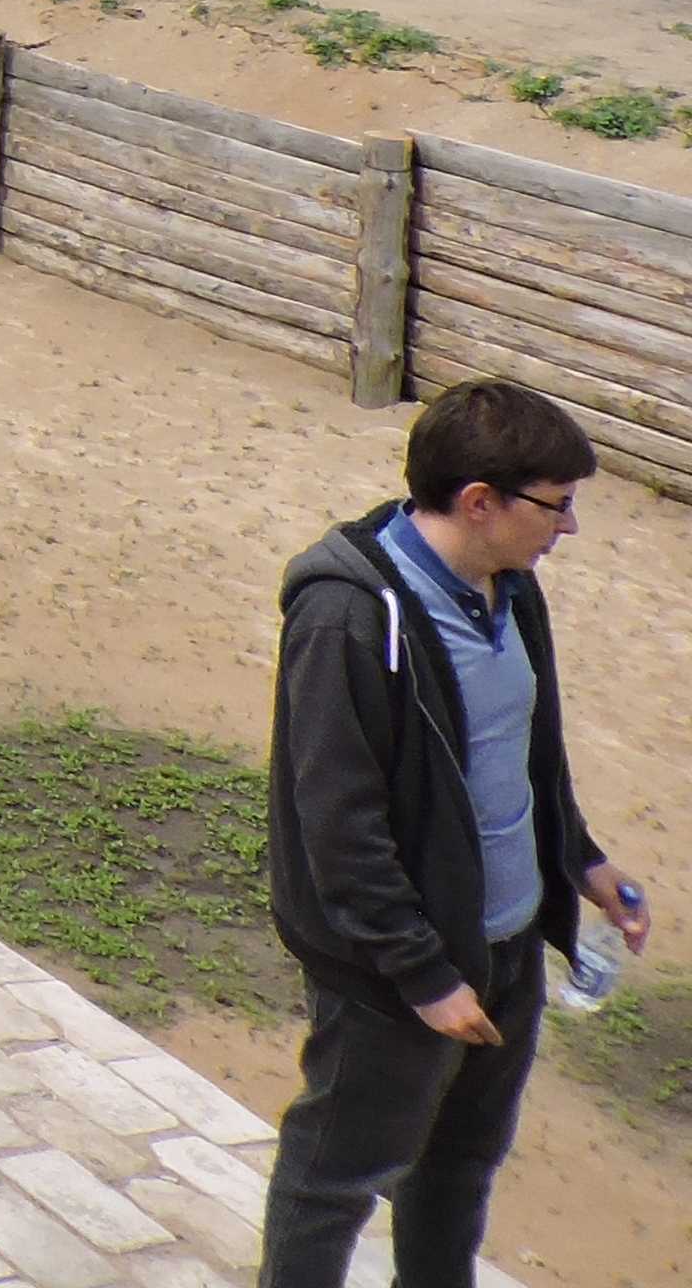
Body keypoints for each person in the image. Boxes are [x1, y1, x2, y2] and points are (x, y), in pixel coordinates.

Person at [261, 378, 648, 1288]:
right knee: (337, 1177)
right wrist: (423, 974)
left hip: (507, 952)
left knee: (459, 1167)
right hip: (404, 973)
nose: (569, 529)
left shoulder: (511, 589)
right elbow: (337, 823)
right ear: (480, 503)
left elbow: (522, 752)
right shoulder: (347, 619)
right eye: (558, 506)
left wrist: (580, 860)